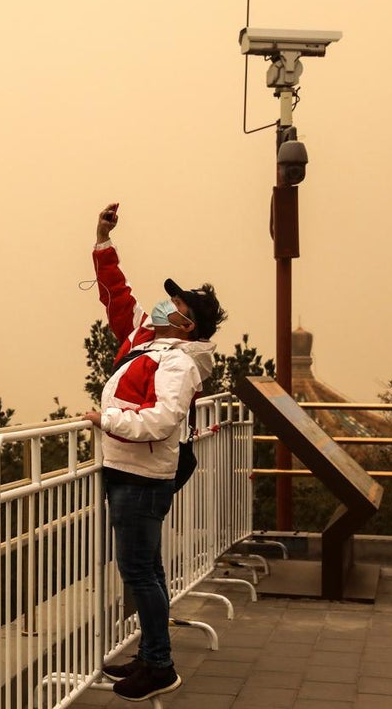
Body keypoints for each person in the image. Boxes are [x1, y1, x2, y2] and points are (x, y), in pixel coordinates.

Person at [83, 202, 226, 702]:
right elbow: (116, 297)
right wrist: (103, 241)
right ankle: (151, 654)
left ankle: (160, 665)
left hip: (141, 477)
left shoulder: (178, 363)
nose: (163, 306)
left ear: (186, 327)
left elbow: (162, 421)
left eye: (175, 306)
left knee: (139, 570)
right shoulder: (148, 339)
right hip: (130, 471)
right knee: (148, 568)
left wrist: (106, 421)